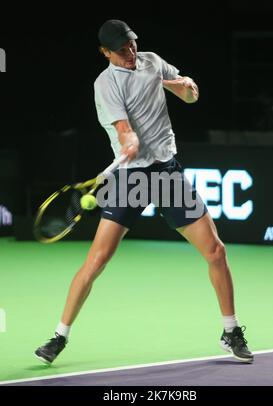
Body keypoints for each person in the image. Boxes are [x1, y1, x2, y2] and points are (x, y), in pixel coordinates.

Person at [35, 19, 253, 364]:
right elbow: (123, 130)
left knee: (215, 251)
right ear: (105, 53)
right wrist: (129, 138)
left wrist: (183, 87)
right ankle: (58, 337)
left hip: (167, 174)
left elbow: (190, 94)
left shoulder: (152, 60)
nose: (130, 52)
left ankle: (231, 330)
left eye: (132, 44)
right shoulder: (105, 84)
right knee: (96, 261)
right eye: (121, 50)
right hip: (130, 178)